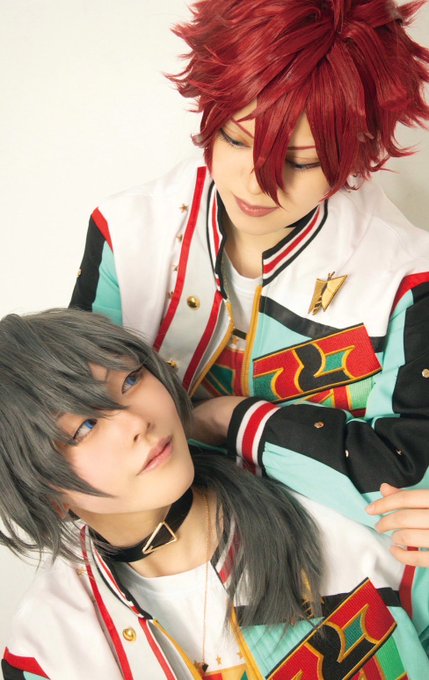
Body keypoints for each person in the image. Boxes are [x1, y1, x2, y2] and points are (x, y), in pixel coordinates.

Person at [70, 3, 429, 558]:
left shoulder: (407, 272)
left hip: (347, 568)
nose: (258, 183)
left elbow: (405, 486)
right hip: (167, 554)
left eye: (301, 162)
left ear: (355, 151)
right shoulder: (129, 231)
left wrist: (231, 419)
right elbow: (71, 423)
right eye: (237, 141)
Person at [1, 308, 429, 680]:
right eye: (85, 427)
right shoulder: (45, 652)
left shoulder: (335, 505)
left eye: (130, 380)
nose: (136, 422)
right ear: (45, 494)